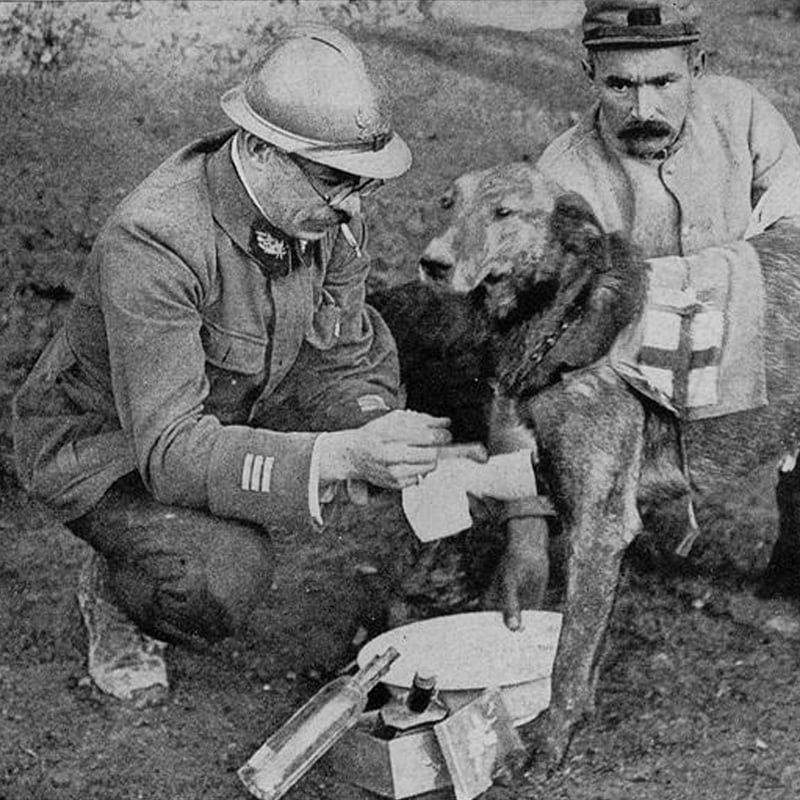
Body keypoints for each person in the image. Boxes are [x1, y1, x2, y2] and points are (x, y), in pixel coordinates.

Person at [11, 25, 454, 704]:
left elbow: (343, 351)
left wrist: (374, 426)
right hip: (109, 446)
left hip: (229, 406)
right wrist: (338, 456)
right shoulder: (156, 241)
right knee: (221, 578)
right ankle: (116, 592)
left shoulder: (328, 215)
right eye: (335, 179)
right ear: (259, 149)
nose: (354, 205)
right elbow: (169, 450)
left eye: (364, 182)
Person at [534, 0, 800, 590]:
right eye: (620, 85)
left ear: (697, 67)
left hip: (749, 334)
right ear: (589, 73)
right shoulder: (563, 182)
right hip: (634, 372)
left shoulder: (742, 113)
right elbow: (543, 343)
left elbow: (795, 222)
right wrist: (522, 526)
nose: (643, 108)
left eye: (664, 82)